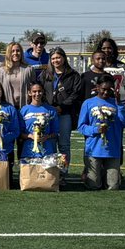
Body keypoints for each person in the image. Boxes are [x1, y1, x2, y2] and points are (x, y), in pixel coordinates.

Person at [78, 74, 125, 191]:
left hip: (112, 150)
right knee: (94, 185)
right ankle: (89, 173)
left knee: (113, 186)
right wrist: (95, 130)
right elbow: (81, 127)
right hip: (94, 149)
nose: (106, 93)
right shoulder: (88, 103)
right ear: (97, 87)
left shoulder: (116, 104)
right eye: (103, 89)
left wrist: (120, 105)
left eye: (109, 90)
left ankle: (112, 174)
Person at [41, 47, 84, 182]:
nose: (56, 60)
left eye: (58, 57)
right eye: (53, 58)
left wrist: (62, 106)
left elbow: (76, 94)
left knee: (64, 145)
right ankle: (52, 172)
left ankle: (63, 172)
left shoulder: (73, 75)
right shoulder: (45, 74)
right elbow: (39, 91)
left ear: (64, 58)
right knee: (50, 143)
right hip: (49, 114)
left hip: (65, 113)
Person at [19, 82, 60, 161]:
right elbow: (19, 133)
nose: (37, 94)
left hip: (46, 151)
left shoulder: (51, 110)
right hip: (28, 151)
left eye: (39, 91)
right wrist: (30, 136)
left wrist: (47, 137)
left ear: (43, 92)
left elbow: (56, 132)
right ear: (29, 93)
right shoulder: (24, 110)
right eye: (34, 91)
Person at [98, 37, 125, 112]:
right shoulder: (95, 67)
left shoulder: (123, 67)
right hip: (101, 103)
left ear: (113, 49)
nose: (106, 50)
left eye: (109, 48)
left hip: (120, 103)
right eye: (103, 48)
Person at [0, 42, 33, 109]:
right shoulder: (2, 70)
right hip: (7, 107)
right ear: (8, 53)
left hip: (26, 106)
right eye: (12, 51)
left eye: (18, 51)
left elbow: (34, 88)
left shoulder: (29, 69)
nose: (15, 53)